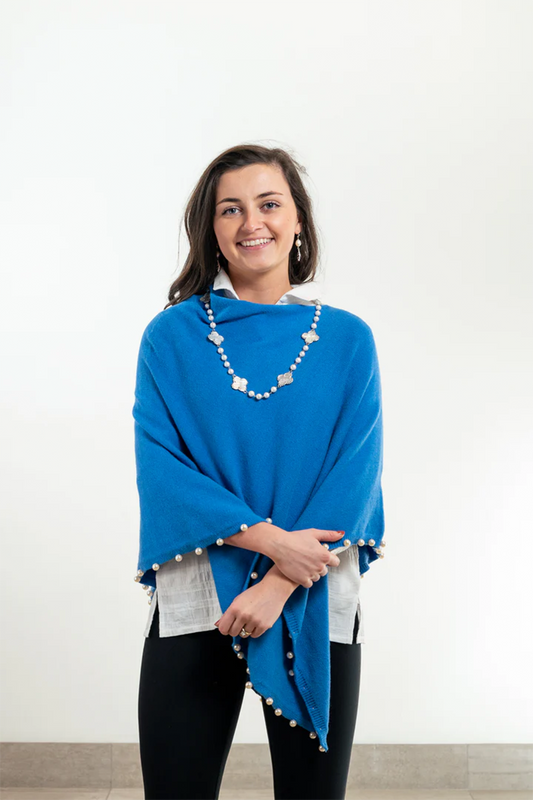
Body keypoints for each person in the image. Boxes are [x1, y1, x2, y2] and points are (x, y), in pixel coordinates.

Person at [134, 143, 386, 800]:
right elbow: (162, 472)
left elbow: (354, 476)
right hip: (199, 590)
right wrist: (275, 543)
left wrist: (279, 581)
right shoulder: (171, 336)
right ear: (210, 229)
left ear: (297, 218)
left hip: (312, 587)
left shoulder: (348, 339)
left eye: (269, 203)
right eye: (231, 209)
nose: (252, 222)